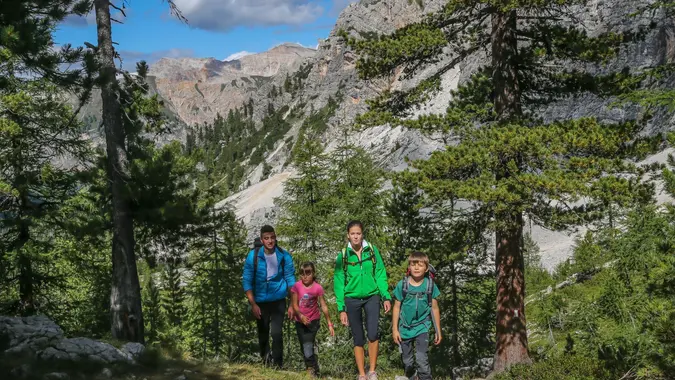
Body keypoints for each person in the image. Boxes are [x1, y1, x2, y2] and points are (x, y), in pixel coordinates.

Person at [334, 220, 392, 380]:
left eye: (358, 233)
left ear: (362, 234)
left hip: (372, 296)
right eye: (352, 234)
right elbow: (339, 282)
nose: (355, 237)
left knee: (373, 333)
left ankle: (372, 371)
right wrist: (341, 308)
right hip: (351, 299)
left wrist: (385, 296)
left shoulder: (372, 251)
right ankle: (361, 374)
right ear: (348, 235)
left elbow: (380, 273)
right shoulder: (343, 255)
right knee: (358, 336)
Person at [242, 225, 296, 368]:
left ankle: (278, 365)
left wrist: (292, 304)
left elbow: (290, 279)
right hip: (260, 301)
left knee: (277, 334)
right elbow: (246, 280)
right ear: (262, 239)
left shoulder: (283, 255)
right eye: (266, 238)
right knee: (263, 333)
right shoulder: (253, 256)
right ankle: (266, 363)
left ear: (275, 237)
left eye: (272, 237)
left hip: (278, 300)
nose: (270, 241)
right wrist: (253, 304)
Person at [392, 251, 442, 380]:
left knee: (422, 360)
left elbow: (435, 309)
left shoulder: (430, 286)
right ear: (409, 267)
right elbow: (396, 307)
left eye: (420, 265)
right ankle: (413, 376)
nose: (416, 268)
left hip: (422, 326)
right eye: (413, 265)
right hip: (405, 327)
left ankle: (425, 377)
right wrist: (395, 329)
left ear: (426, 269)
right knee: (407, 362)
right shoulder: (402, 285)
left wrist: (438, 331)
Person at [290, 262, 335, 378]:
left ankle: (311, 371)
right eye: (302, 273)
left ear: (313, 273)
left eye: (308, 273)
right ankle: (315, 370)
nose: (305, 276)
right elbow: (295, 305)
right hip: (300, 321)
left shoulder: (317, 288)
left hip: (313, 321)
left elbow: (323, 306)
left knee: (307, 346)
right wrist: (300, 315)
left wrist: (329, 323)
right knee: (304, 347)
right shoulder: (296, 286)